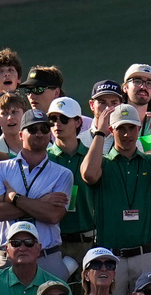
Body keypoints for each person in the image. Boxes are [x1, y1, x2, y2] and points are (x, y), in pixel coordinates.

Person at [80, 104, 151, 295]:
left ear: (139, 129)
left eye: (132, 128)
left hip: (145, 254)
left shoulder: (149, 161)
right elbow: (89, 175)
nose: (127, 134)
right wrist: (100, 134)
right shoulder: (103, 163)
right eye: (121, 128)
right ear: (112, 130)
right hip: (111, 257)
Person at [0, 109, 73, 280]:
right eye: (32, 129)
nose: (39, 133)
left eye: (44, 129)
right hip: (9, 257)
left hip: (47, 256)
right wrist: (41, 202)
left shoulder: (63, 174)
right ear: (21, 135)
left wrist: (14, 198)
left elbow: (53, 215)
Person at [47, 97, 96, 279]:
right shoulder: (44, 159)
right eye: (53, 119)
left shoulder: (92, 157)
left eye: (64, 119)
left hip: (87, 242)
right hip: (53, 245)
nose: (57, 124)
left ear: (78, 122)